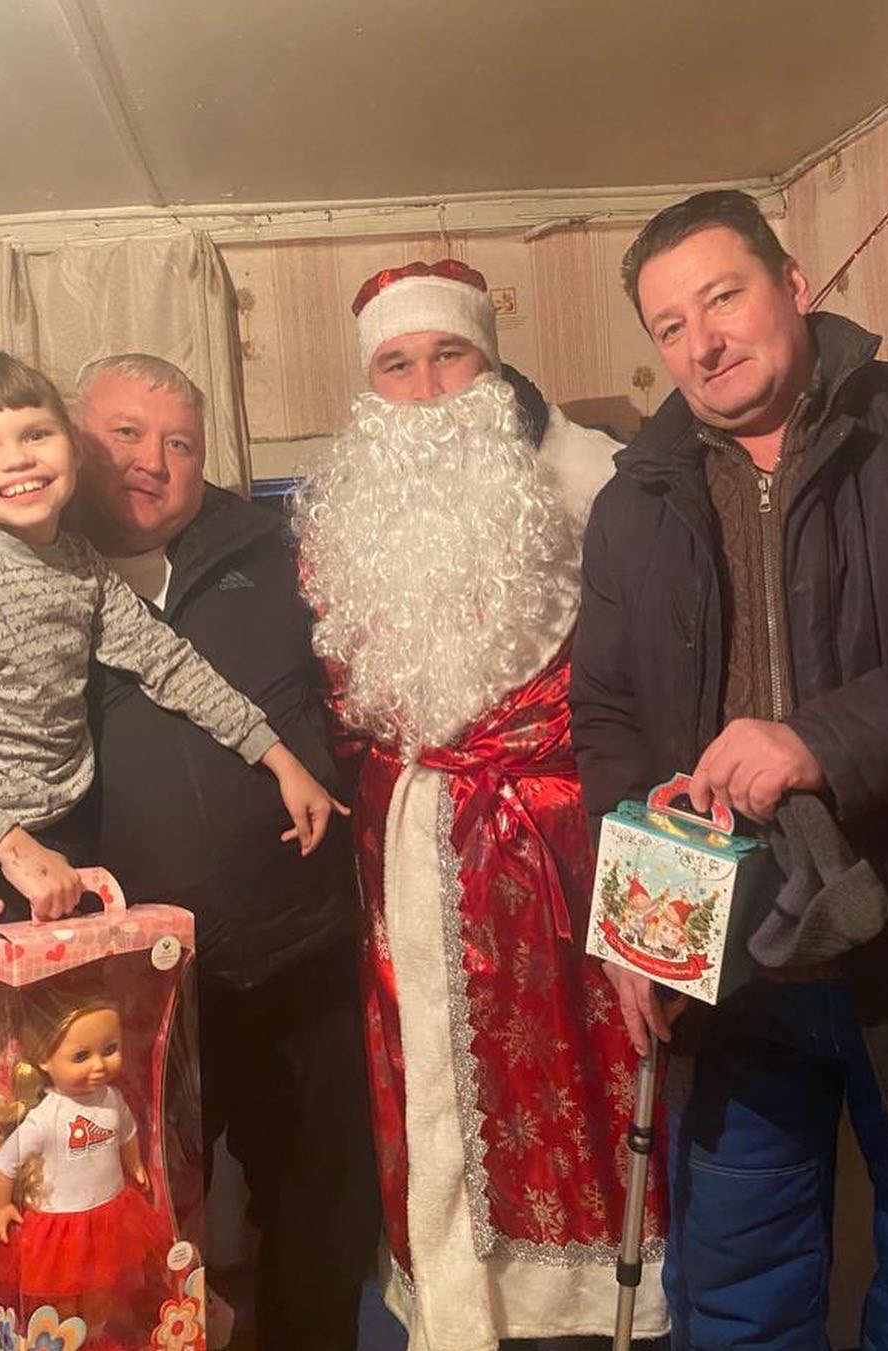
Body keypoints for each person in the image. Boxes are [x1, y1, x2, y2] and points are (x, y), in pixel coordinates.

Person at [571, 190, 888, 1350]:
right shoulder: (632, 500)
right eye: (670, 326)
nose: (703, 343)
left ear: (794, 284)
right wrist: (631, 916)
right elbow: (606, 716)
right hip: (729, 967)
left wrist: (817, 740)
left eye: (723, 297)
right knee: (736, 1288)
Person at [0, 353, 381, 1351]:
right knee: (116, 1217)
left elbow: (197, 672)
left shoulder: (263, 549)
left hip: (299, 956)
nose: (151, 460)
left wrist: (285, 758)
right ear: (83, 442)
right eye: (125, 434)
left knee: (323, 1211)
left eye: (179, 442)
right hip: (130, 976)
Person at [294, 259, 669, 1349]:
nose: (426, 388)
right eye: (397, 365)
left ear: (491, 365)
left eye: (449, 355)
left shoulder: (590, 486)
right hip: (405, 857)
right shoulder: (341, 523)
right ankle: (456, 1299)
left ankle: (582, 1310)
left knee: (567, 1097)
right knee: (434, 1095)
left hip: (548, 850)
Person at [0, 349, 340, 926]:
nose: (16, 460)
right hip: (0, 856)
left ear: (70, 446)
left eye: (35, 435)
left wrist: (281, 760)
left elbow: (167, 662)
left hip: (84, 853)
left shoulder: (82, 563)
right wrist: (1, 857)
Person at [0, 988, 169, 1346]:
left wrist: (134, 1164)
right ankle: (70, 1342)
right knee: (62, 1300)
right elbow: (5, 1161)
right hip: (60, 1228)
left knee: (102, 1290)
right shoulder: (44, 1118)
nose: (99, 1065)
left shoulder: (112, 1098)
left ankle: (95, 1339)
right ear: (45, 1060)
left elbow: (127, 1132)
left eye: (110, 1049)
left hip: (108, 1215)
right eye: (81, 1056)